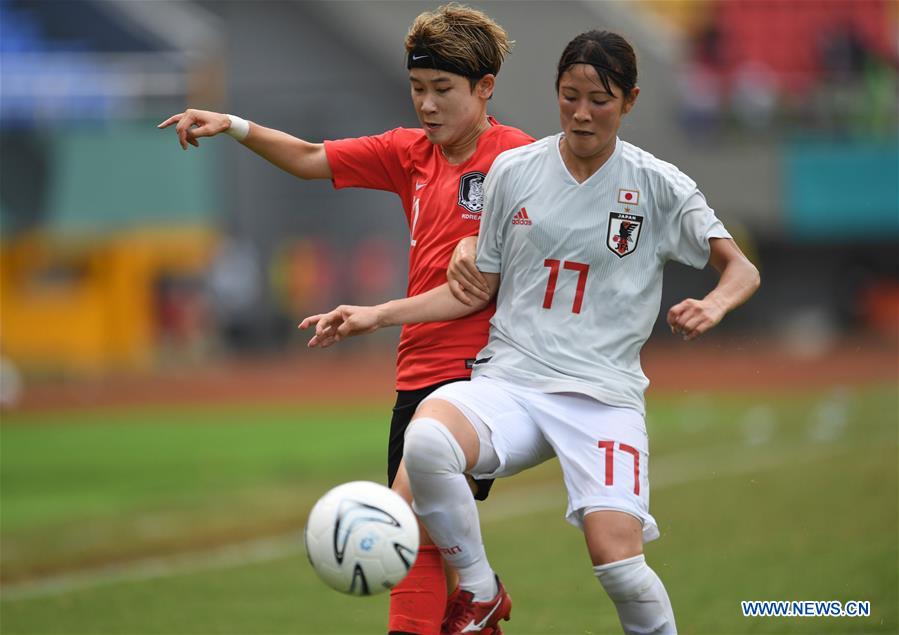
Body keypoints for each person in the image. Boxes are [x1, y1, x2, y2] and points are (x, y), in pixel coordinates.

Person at [300, 29, 761, 635]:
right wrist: (376, 315)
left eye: (599, 99)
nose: (581, 112)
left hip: (601, 397)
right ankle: (482, 590)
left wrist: (715, 302)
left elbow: (741, 267)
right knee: (427, 442)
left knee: (618, 564)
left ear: (630, 101)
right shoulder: (515, 170)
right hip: (510, 381)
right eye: (569, 95)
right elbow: (474, 289)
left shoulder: (658, 185)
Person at [159, 5, 533, 634]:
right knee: (424, 538)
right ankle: (484, 617)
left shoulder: (519, 159)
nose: (428, 105)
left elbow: (546, 238)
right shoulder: (408, 153)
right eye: (418, 89)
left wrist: (488, 243)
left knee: (402, 521)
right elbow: (309, 157)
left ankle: (471, 607)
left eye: (443, 90)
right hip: (417, 372)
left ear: (485, 88)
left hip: (481, 377)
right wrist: (234, 124)